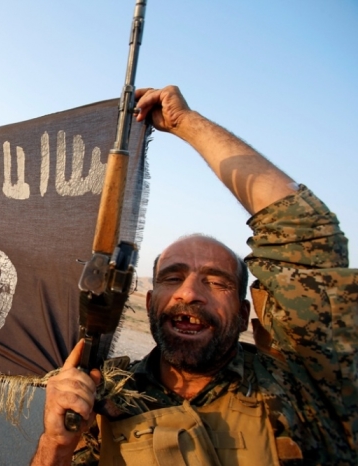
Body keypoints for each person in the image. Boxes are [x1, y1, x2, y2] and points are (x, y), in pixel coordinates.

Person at [32, 86, 357, 465]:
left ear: (241, 312)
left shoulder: (302, 387)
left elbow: (303, 231)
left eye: (216, 281)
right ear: (151, 303)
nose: (189, 293)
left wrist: (185, 124)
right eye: (172, 278)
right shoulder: (107, 401)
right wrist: (55, 443)